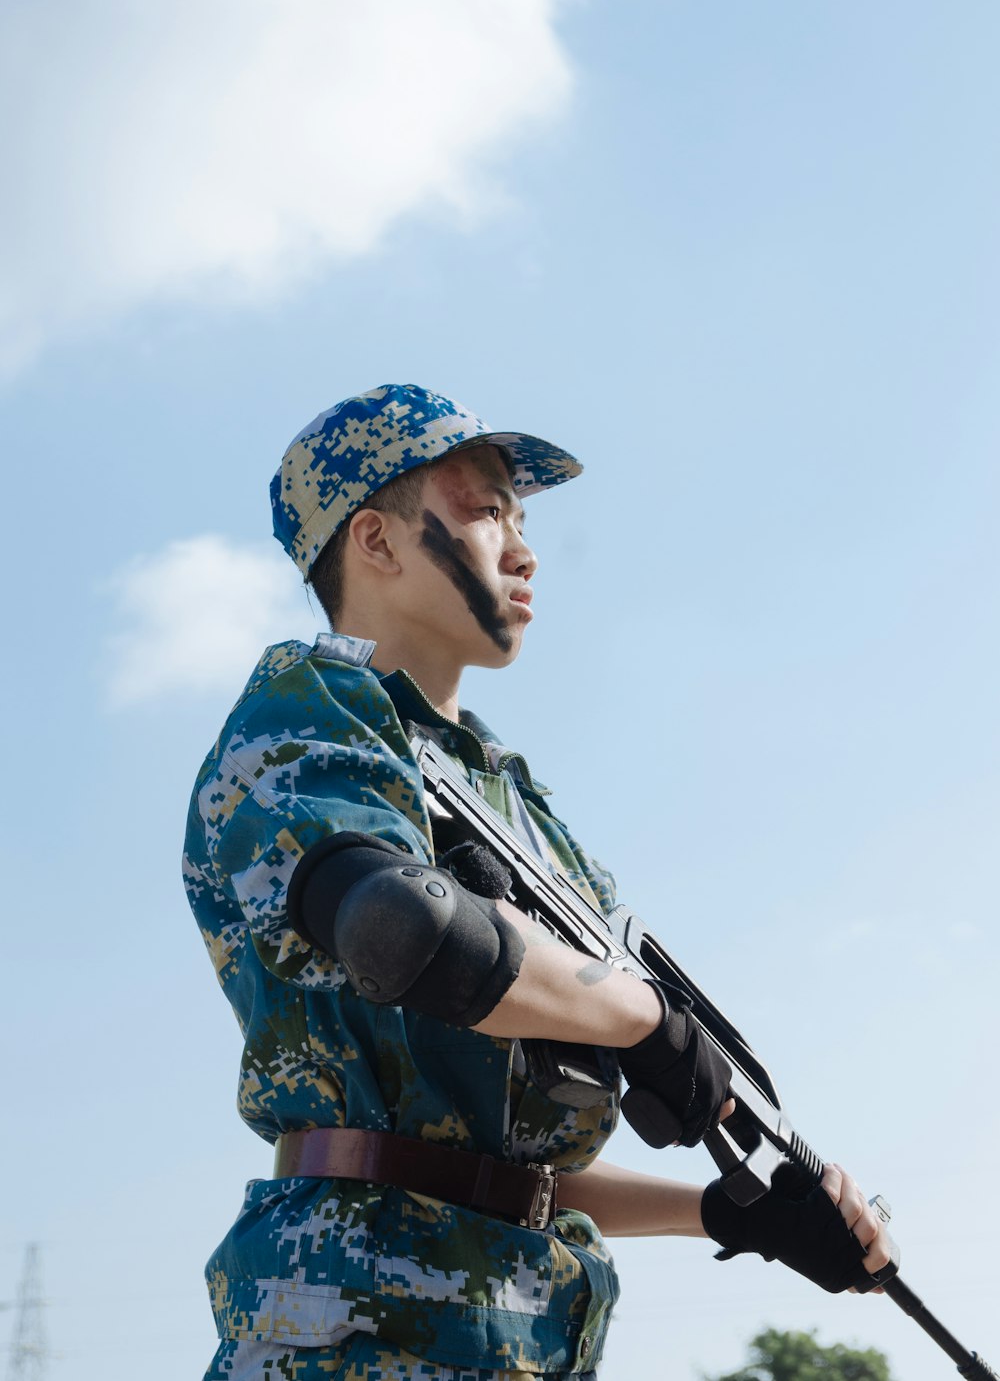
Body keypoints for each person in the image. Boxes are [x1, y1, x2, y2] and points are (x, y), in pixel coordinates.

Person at [184, 384, 895, 1381]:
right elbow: (407, 932)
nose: (521, 548)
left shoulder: (507, 795)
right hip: (356, 1329)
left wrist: (732, 1214)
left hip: (523, 1335)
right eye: (482, 509)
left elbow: (506, 1166)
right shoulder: (313, 707)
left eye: (522, 518)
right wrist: (645, 1020)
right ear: (376, 543)